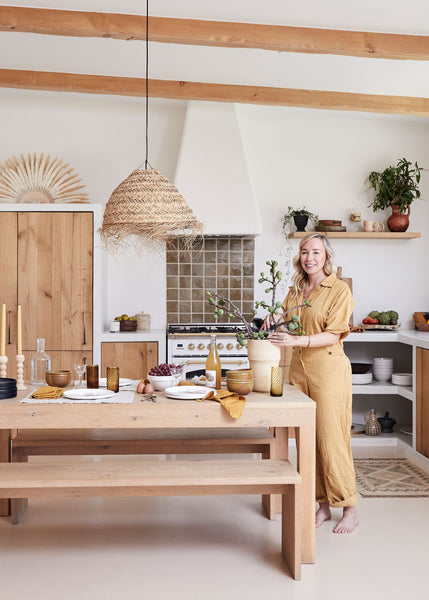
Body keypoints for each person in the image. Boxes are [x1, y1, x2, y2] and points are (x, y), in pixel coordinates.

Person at [265, 233, 359, 534]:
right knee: (309, 440)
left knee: (332, 438)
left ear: (326, 256)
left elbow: (334, 333)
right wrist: (271, 319)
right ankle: (322, 505)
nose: (309, 258)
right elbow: (284, 319)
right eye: (304, 252)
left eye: (316, 252)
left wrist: (299, 339)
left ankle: (349, 508)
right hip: (298, 369)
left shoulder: (338, 289)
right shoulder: (296, 290)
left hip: (329, 368)